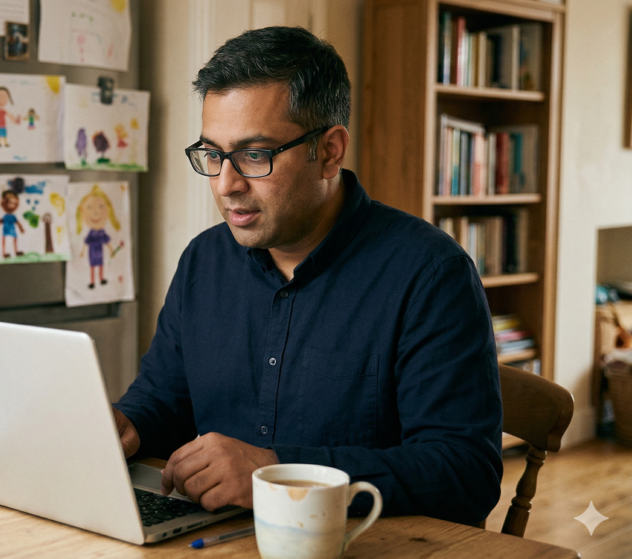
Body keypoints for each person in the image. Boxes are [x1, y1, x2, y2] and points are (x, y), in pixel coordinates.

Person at [112, 26, 502, 526]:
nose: (227, 185)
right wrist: (130, 423)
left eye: (254, 155)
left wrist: (279, 472)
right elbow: (165, 397)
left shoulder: (430, 275)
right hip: (214, 538)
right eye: (213, 154)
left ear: (330, 151)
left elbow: (464, 472)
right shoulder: (203, 262)